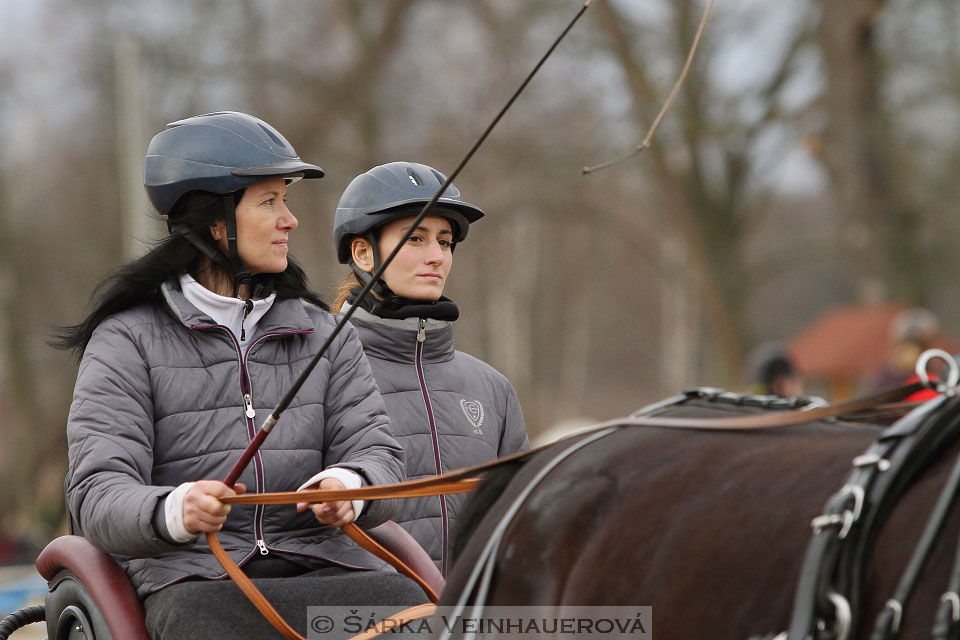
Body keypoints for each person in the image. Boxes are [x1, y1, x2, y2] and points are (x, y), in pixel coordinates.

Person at [57, 112, 425, 639]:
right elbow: (96, 491)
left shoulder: (327, 332)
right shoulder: (126, 339)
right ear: (215, 221)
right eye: (269, 202)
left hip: (328, 567)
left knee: (410, 610)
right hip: (195, 581)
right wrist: (175, 509)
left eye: (286, 200)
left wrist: (352, 485)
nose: (290, 221)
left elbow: (381, 454)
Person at [331, 161, 530, 576]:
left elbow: (520, 524)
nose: (436, 256)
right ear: (363, 252)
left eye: (445, 241)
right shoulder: (317, 370)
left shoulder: (492, 388)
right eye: (415, 239)